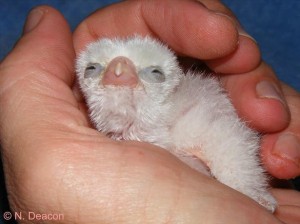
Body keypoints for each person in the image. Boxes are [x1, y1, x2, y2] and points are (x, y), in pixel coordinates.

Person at [0, 1, 299, 223]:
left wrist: (244, 191)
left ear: (170, 83)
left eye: (153, 73)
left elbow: (229, 147)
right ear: (79, 84)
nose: (119, 72)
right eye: (93, 69)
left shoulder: (189, 115)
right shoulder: (85, 156)